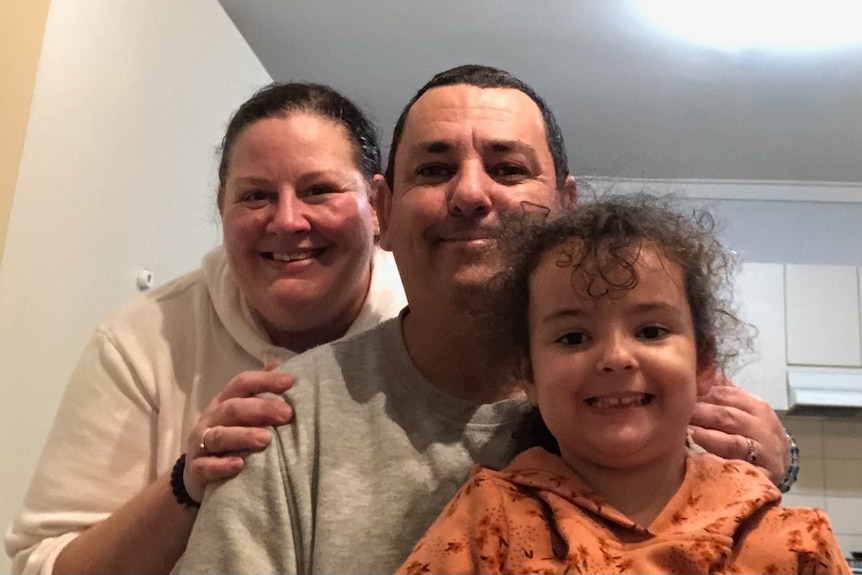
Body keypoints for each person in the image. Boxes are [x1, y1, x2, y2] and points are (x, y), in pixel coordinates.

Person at [172, 65, 797, 575]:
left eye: (508, 168)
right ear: (383, 212)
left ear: (565, 209)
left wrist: (781, 464)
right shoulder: (285, 424)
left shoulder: (646, 403)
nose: (471, 194)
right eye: (435, 169)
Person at [4, 82, 406, 575]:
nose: (286, 220)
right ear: (222, 208)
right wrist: (186, 484)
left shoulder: (427, 330)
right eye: (255, 195)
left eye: (318, 189)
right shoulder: (141, 342)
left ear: (378, 206)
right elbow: (40, 566)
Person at [396, 194, 850, 574]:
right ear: (529, 375)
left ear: (704, 362)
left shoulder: (794, 542)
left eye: (651, 331)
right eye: (574, 337)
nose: (615, 357)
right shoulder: (485, 525)